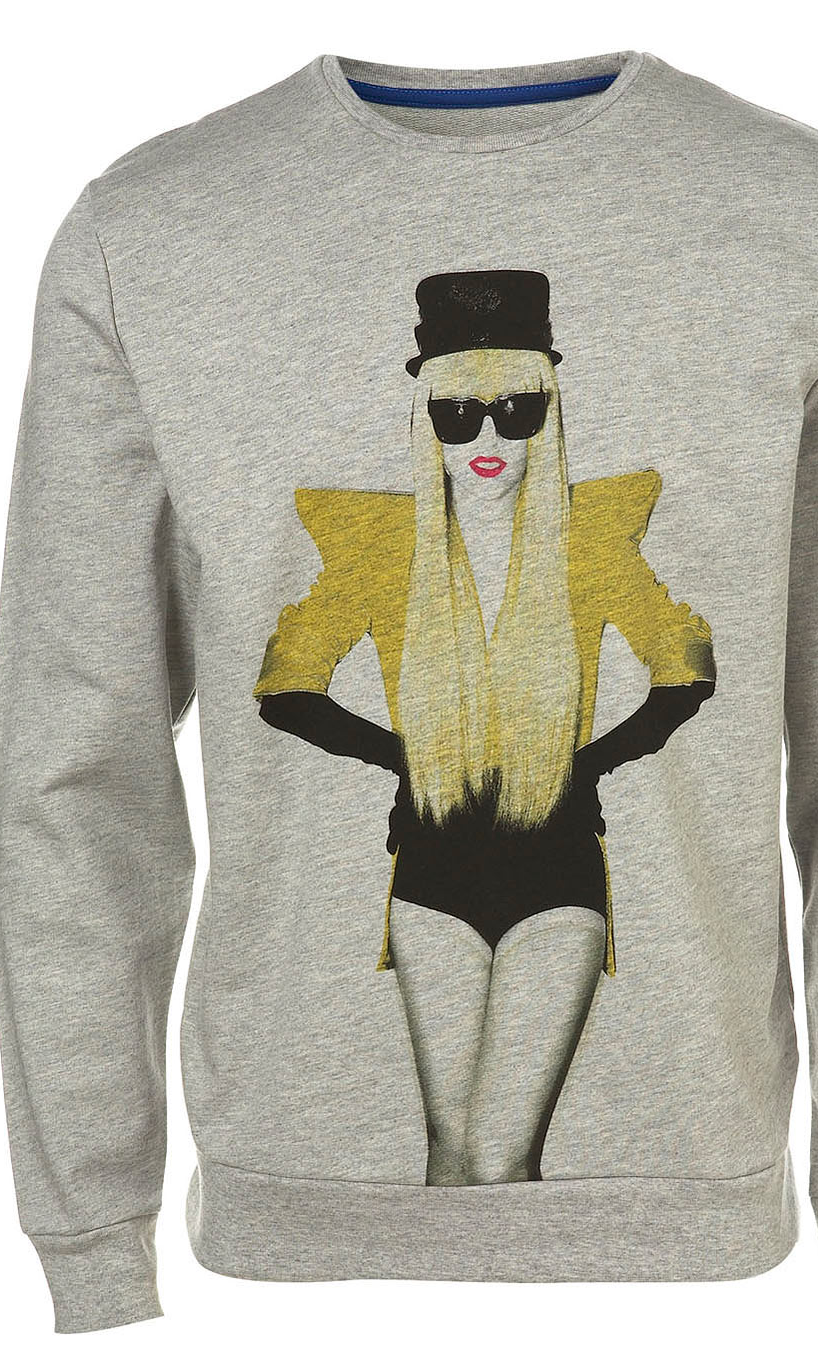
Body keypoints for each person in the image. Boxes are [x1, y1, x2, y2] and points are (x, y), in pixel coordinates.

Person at [254, 269, 717, 1184]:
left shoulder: (588, 538)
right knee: (451, 1149)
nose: (490, 439)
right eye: (458, 417)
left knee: (501, 1152)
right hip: (430, 872)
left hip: (557, 868)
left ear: (550, 413)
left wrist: (590, 763)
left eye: (517, 412)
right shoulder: (382, 549)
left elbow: (684, 661)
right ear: (424, 423)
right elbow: (285, 682)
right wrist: (408, 757)